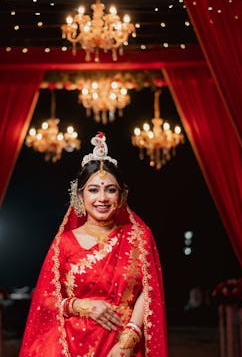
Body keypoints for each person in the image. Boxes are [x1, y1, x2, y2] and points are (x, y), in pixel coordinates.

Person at [20, 133, 168, 357]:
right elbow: (46, 299)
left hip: (123, 344)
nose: (102, 198)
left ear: (121, 195)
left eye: (110, 189)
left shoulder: (138, 236)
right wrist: (82, 305)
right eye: (93, 190)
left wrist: (129, 340)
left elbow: (149, 290)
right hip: (71, 345)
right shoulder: (65, 242)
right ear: (80, 196)